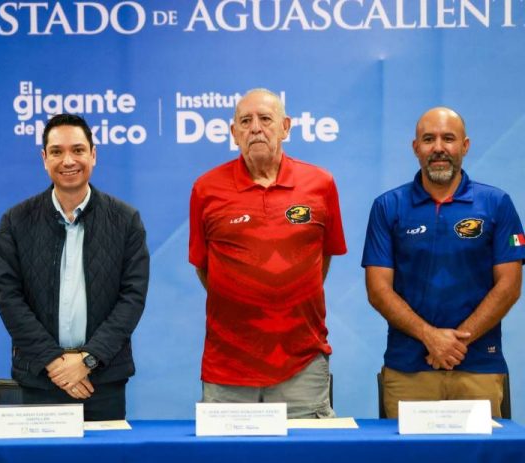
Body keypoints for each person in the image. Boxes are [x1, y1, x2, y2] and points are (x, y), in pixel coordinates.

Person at [188, 88, 347, 418]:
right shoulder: (206, 189)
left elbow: (322, 257)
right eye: (245, 121)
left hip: (302, 363)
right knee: (228, 454)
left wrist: (286, 294)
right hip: (228, 366)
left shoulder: (320, 184)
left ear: (285, 127)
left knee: (306, 452)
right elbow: (205, 267)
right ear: (234, 133)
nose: (256, 128)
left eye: (265, 119)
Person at [362, 107, 524, 418]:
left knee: (482, 453)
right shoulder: (387, 207)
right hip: (408, 371)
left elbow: (510, 285)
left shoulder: (497, 204)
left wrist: (454, 343)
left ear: (465, 145)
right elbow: (378, 290)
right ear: (415, 148)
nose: (438, 148)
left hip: (479, 368)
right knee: (407, 452)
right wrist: (431, 337)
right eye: (428, 139)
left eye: (448, 138)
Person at [0, 113, 149, 421]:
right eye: (57, 151)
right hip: (41, 379)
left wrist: (87, 361)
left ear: (93, 155)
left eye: (78, 150)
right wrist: (55, 363)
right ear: (44, 159)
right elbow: (8, 298)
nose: (68, 161)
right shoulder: (15, 221)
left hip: (103, 381)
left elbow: (132, 299)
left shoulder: (125, 220)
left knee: (104, 456)